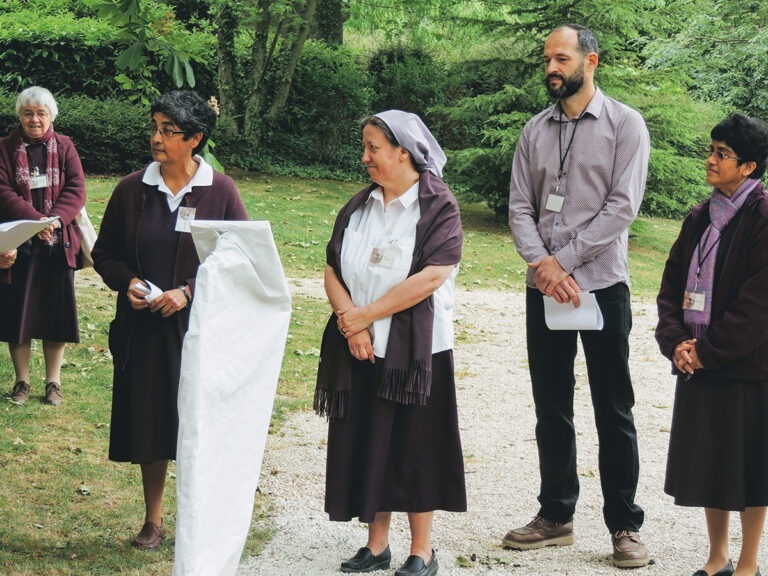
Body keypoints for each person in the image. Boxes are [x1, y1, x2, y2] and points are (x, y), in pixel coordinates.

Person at [506, 24, 651, 567]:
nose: (552, 67)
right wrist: (543, 267)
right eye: (547, 58)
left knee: (613, 408)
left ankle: (625, 526)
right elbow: (520, 206)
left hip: (602, 286)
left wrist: (562, 262)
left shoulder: (625, 125)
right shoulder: (534, 130)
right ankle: (556, 515)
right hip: (544, 289)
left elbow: (622, 207)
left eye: (562, 58)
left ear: (591, 61)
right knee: (551, 406)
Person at [92, 90, 248, 550]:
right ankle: (154, 519)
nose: (156, 138)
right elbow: (105, 254)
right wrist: (128, 283)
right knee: (151, 423)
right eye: (155, 128)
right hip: (143, 331)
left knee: (200, 425)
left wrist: (189, 291)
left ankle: (201, 521)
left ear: (195, 139)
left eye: (168, 130)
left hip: (200, 331)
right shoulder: (131, 190)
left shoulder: (221, 191)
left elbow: (240, 257)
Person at [314, 110, 465, 576]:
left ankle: (422, 550)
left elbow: (433, 276)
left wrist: (366, 316)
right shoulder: (360, 205)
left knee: (416, 447)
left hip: (416, 353)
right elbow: (332, 268)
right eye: (364, 146)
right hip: (359, 345)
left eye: (373, 148)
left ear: (403, 152)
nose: (365, 156)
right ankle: (376, 545)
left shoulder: (437, 206)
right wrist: (352, 323)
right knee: (370, 441)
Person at [656, 113, 768, 576]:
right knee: (711, 463)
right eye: (712, 149)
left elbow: (758, 303)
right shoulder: (700, 216)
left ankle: (749, 562)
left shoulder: (762, 217)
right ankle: (717, 557)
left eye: (723, 153)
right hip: (697, 362)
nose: (711, 159)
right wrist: (676, 342)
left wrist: (707, 350)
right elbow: (670, 286)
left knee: (752, 468)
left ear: (749, 167)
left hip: (747, 366)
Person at [0, 86, 86, 406]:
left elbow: (76, 188)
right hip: (19, 244)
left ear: (51, 116)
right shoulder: (4, 148)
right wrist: (37, 220)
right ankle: (21, 382)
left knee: (55, 315)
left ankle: (53, 382)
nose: (34, 119)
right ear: (19, 116)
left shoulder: (65, 146)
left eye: (41, 113)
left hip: (57, 243)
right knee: (18, 316)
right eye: (28, 113)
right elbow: (3, 191)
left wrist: (55, 220)